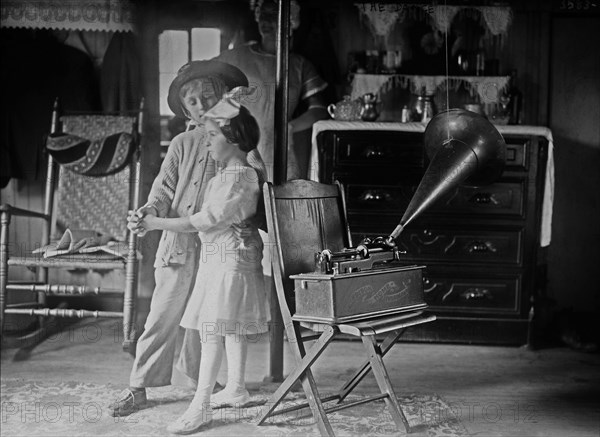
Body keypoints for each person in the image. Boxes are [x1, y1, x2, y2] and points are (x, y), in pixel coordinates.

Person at [108, 60, 250, 417]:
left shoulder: (234, 141)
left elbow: (248, 180)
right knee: (162, 314)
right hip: (178, 245)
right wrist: (146, 211)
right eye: (193, 100)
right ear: (185, 108)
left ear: (222, 98)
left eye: (208, 96)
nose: (201, 105)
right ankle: (138, 386)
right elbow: (163, 190)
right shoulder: (183, 143)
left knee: (207, 316)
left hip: (218, 247)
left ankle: (201, 379)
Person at [133, 93, 268, 434]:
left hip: (230, 261)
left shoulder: (241, 177)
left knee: (212, 330)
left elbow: (202, 221)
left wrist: (155, 225)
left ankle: (202, 404)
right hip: (223, 259)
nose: (206, 142)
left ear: (234, 140)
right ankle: (235, 388)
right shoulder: (229, 175)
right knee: (231, 324)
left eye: (212, 137)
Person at [215, 0, 329, 181]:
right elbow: (206, 92)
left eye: (275, 16)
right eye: (264, 16)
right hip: (238, 146)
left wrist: (289, 128)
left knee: (277, 200)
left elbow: (319, 110)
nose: (267, 22)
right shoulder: (234, 57)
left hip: (280, 148)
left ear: (290, 21)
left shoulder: (300, 65)